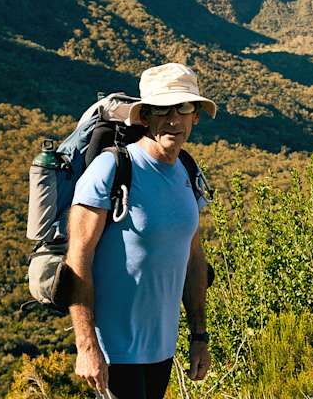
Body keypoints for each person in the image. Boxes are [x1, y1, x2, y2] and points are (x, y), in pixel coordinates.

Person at [66, 62, 216, 399]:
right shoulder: (112, 169)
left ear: (195, 116)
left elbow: (193, 260)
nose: (174, 119)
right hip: (113, 354)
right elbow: (78, 258)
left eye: (184, 107)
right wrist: (87, 346)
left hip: (161, 351)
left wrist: (198, 337)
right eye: (163, 109)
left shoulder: (188, 173)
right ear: (145, 116)